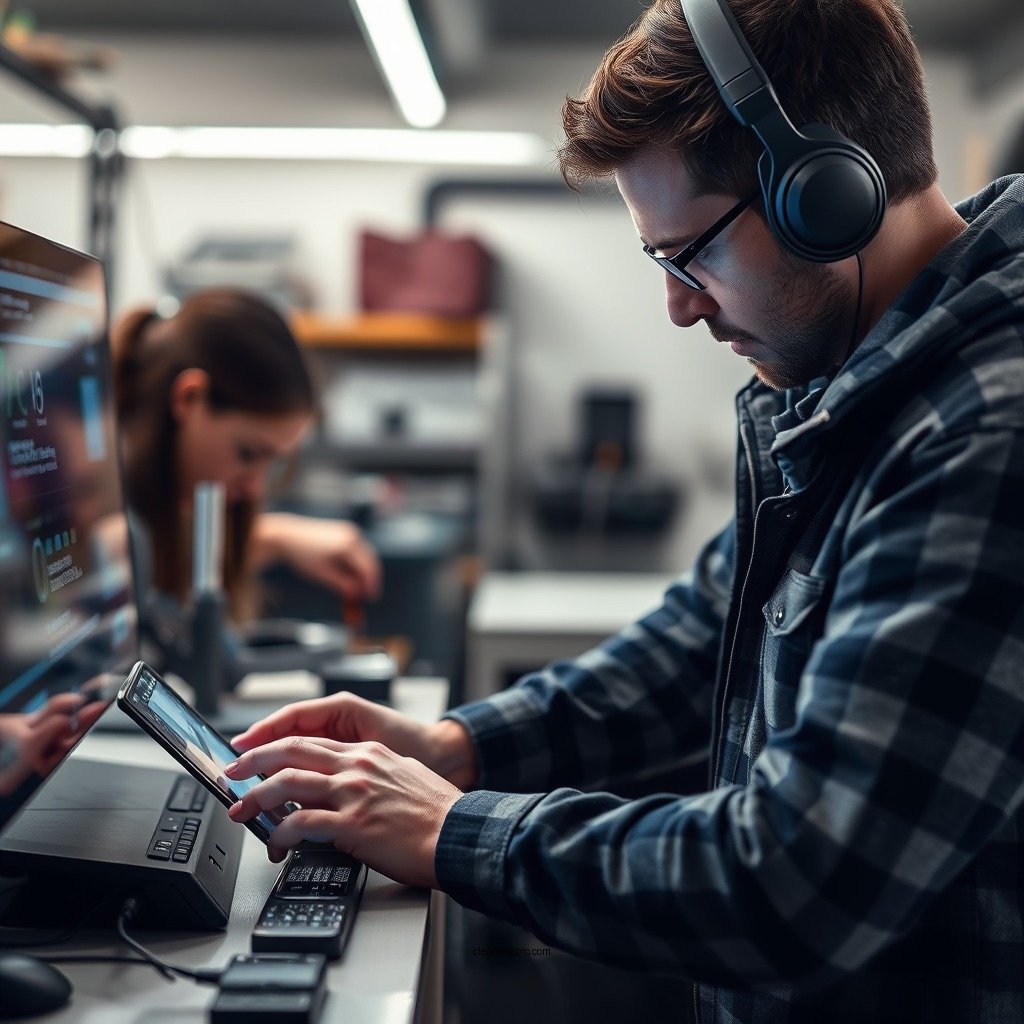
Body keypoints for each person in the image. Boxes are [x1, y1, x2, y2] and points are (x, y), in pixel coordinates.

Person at [221, 1, 1024, 1020]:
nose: (680, 306)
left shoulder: (984, 432)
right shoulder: (860, 385)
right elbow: (706, 638)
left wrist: (450, 828)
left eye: (690, 253)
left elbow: (798, 877)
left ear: (825, 196)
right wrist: (456, 748)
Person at [111, 287, 381, 622]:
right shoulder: (102, 536)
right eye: (248, 454)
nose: (255, 487)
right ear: (189, 399)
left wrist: (281, 539)